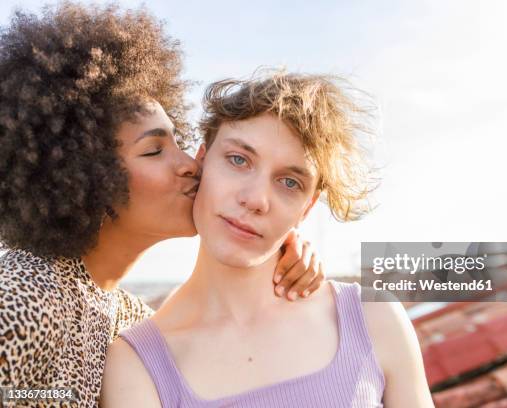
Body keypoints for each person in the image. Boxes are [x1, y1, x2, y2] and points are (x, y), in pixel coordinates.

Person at [0, 4, 323, 407]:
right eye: (154, 151)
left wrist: (280, 247)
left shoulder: (129, 317)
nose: (189, 165)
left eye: (176, 141)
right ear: (79, 174)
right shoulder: (23, 293)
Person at [101, 72, 434, 407]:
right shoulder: (135, 365)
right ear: (202, 163)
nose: (257, 199)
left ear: (306, 208)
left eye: (289, 182)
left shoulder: (371, 318)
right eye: (238, 160)